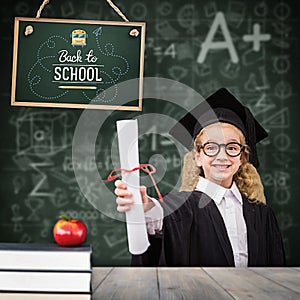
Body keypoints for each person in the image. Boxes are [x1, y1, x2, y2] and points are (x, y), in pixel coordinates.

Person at [115, 88, 286, 267]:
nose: (222, 156)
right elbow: (161, 215)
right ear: (198, 156)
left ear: (242, 157)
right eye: (211, 147)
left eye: (232, 147)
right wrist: (145, 207)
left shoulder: (263, 215)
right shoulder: (183, 207)